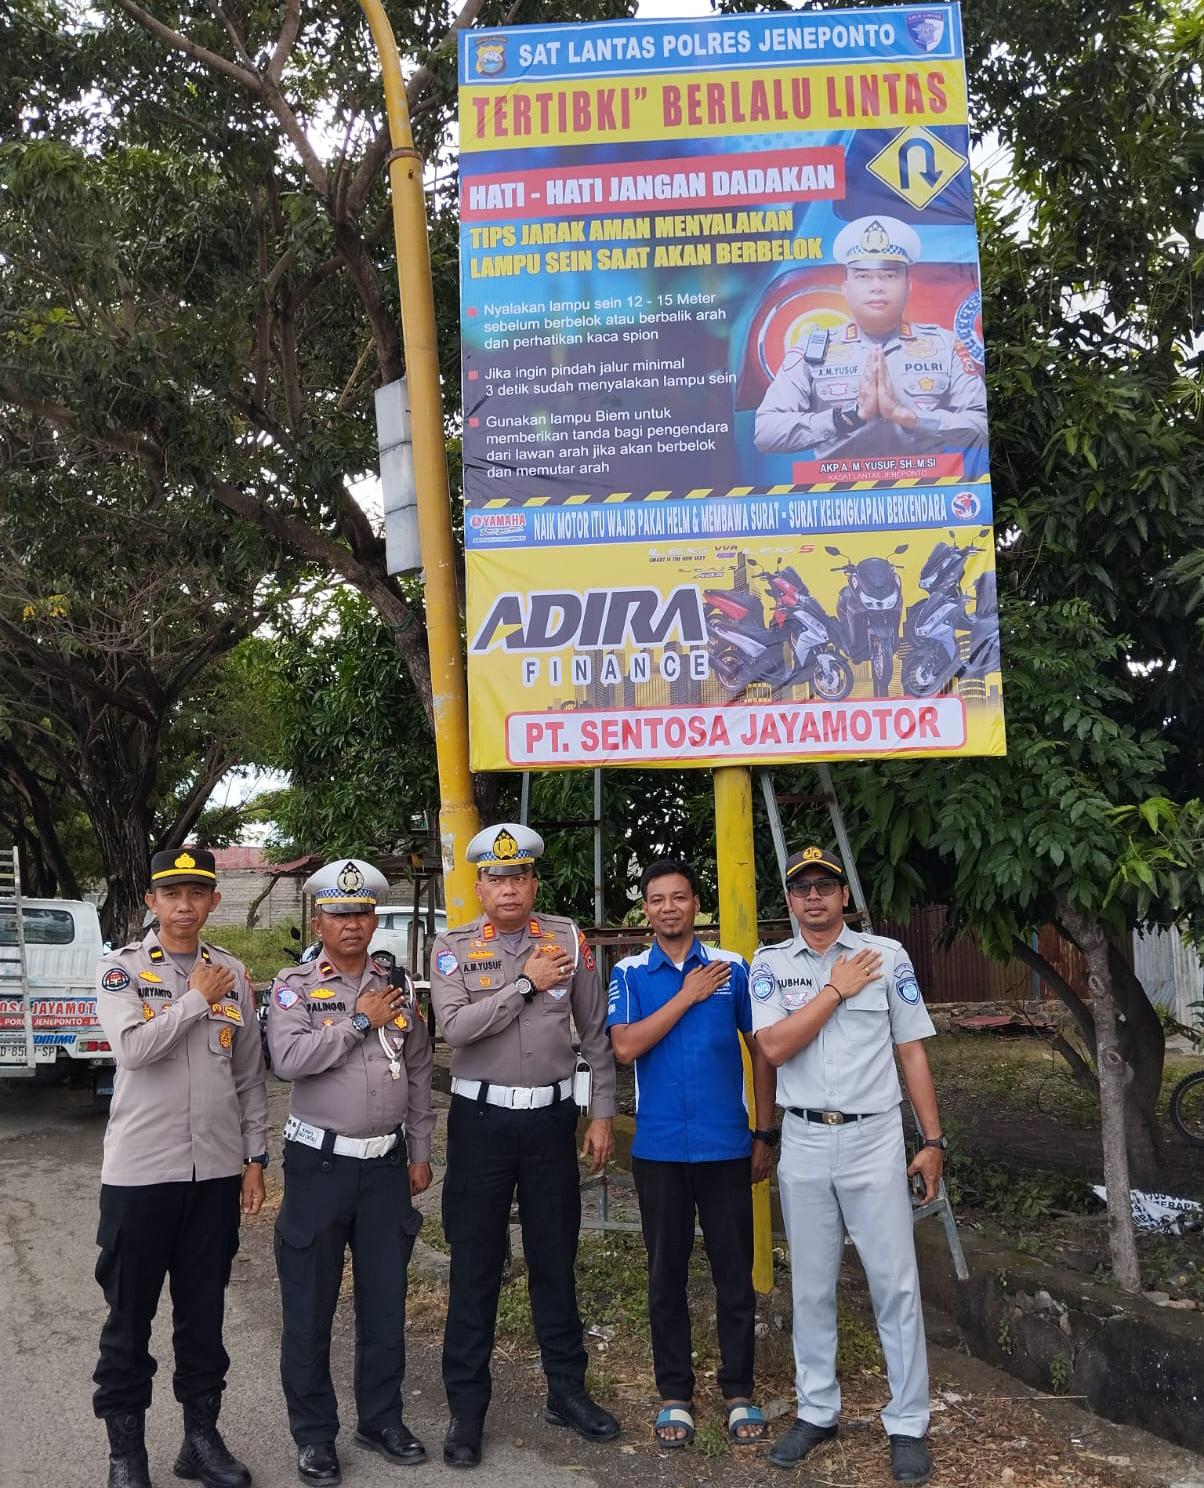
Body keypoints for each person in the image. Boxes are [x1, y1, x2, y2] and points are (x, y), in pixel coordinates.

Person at [750, 846, 945, 1487]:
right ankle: (816, 1411)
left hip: (873, 1138)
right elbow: (772, 1047)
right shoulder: (770, 964)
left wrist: (932, 1140)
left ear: (842, 897)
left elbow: (911, 1051)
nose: (813, 897)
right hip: (805, 1139)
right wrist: (836, 990)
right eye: (802, 888)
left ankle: (908, 1423)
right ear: (790, 900)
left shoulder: (886, 957)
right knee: (811, 1285)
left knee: (896, 1285)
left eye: (824, 886)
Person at [430, 822, 619, 1468]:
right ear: (480, 887)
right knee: (475, 1267)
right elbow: (455, 1028)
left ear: (534, 883)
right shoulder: (453, 947)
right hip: (480, 1125)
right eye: (496, 878)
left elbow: (595, 1032)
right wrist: (525, 984)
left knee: (554, 1260)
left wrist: (601, 1113)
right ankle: (466, 1410)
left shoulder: (566, 939)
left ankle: (567, 1393)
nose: (508, 888)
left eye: (519, 876)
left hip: (549, 1123)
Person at [92, 847, 268, 1488]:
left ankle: (200, 1441)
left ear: (214, 901)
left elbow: (248, 1076)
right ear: (152, 901)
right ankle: (126, 1456)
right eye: (172, 894)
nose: (185, 906)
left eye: (197, 893)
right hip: (140, 1175)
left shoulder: (234, 973)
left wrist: (255, 1157)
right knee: (128, 1319)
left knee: (203, 1316)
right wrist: (194, 1000)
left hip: (214, 1173)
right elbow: (132, 1050)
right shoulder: (122, 970)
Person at [268, 857, 434, 1487]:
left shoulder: (398, 984)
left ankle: (381, 1420)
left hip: (385, 1165)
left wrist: (420, 1149)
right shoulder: (295, 985)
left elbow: (418, 1069)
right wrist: (360, 1020)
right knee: (309, 1308)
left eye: (362, 913)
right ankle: (314, 1436)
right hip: (319, 1164)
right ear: (319, 921)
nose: (352, 924)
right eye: (339, 914)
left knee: (385, 1303)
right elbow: (288, 1059)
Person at [607, 859, 778, 1450]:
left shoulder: (732, 968)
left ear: (696, 904)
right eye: (657, 900)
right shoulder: (630, 972)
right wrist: (685, 997)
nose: (669, 908)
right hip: (659, 1148)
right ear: (646, 910)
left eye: (679, 897)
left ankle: (738, 1391)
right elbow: (625, 1047)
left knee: (734, 1273)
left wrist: (764, 1132)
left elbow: (763, 1051)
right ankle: (674, 1394)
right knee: (665, 1275)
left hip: (726, 1144)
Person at [754, 213, 987, 461]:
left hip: (928, 484)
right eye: (863, 276)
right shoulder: (811, 349)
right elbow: (766, 432)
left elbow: (981, 427)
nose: (877, 286)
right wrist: (846, 418)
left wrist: (908, 417)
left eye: (889, 275)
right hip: (837, 485)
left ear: (907, 287)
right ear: (846, 289)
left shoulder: (946, 344)